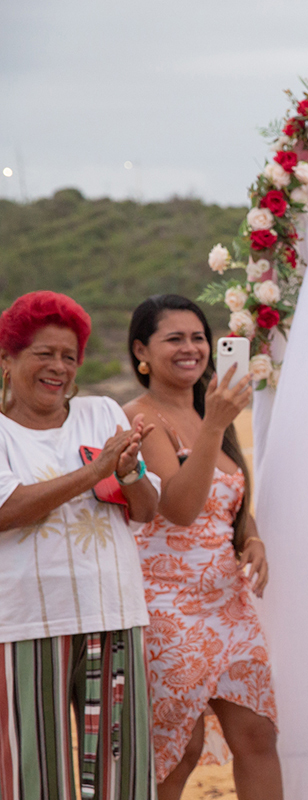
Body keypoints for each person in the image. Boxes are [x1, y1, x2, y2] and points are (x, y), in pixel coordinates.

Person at [0, 290, 160, 800]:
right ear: (7, 359)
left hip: (111, 613)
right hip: (24, 624)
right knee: (33, 778)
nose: (59, 367)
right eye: (43, 354)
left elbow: (145, 508)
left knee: (123, 779)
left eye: (69, 357)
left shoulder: (100, 413)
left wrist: (130, 469)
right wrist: (93, 469)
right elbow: (9, 510)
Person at [125, 295, 281, 800]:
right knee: (180, 749)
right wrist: (214, 423)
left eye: (198, 337)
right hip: (167, 605)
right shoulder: (139, 419)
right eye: (175, 338)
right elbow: (180, 508)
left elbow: (227, 500)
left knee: (258, 736)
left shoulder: (208, 411)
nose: (191, 348)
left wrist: (251, 537)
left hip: (227, 603)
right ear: (141, 351)